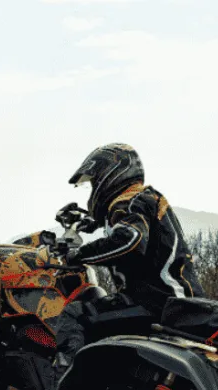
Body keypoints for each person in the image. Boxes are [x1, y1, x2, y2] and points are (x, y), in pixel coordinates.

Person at [53, 143, 205, 370]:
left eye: (94, 182)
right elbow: (127, 226)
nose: (93, 189)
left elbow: (130, 239)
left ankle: (62, 387)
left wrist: (79, 255)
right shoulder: (141, 199)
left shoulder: (130, 200)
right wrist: (91, 223)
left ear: (110, 174)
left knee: (76, 315)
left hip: (159, 303)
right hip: (174, 304)